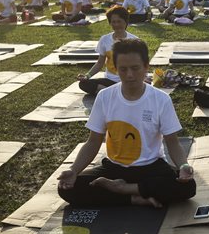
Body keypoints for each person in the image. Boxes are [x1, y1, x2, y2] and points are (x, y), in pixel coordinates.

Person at [58, 38, 196, 208]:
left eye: (135, 68)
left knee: (188, 187)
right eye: (123, 69)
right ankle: (134, 197)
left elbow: (172, 142)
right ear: (115, 68)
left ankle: (124, 189)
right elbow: (93, 141)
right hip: (114, 168)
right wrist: (73, 170)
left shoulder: (161, 99)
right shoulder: (105, 97)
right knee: (66, 188)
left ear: (146, 66)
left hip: (151, 167)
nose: (129, 75)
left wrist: (183, 166)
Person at [77, 6, 137, 95]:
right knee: (83, 84)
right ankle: (114, 92)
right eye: (113, 22)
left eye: (119, 21)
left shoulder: (134, 41)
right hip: (109, 81)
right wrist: (87, 76)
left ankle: (107, 93)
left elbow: (138, 65)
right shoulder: (105, 39)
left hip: (127, 81)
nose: (116, 25)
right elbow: (100, 63)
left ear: (126, 21)